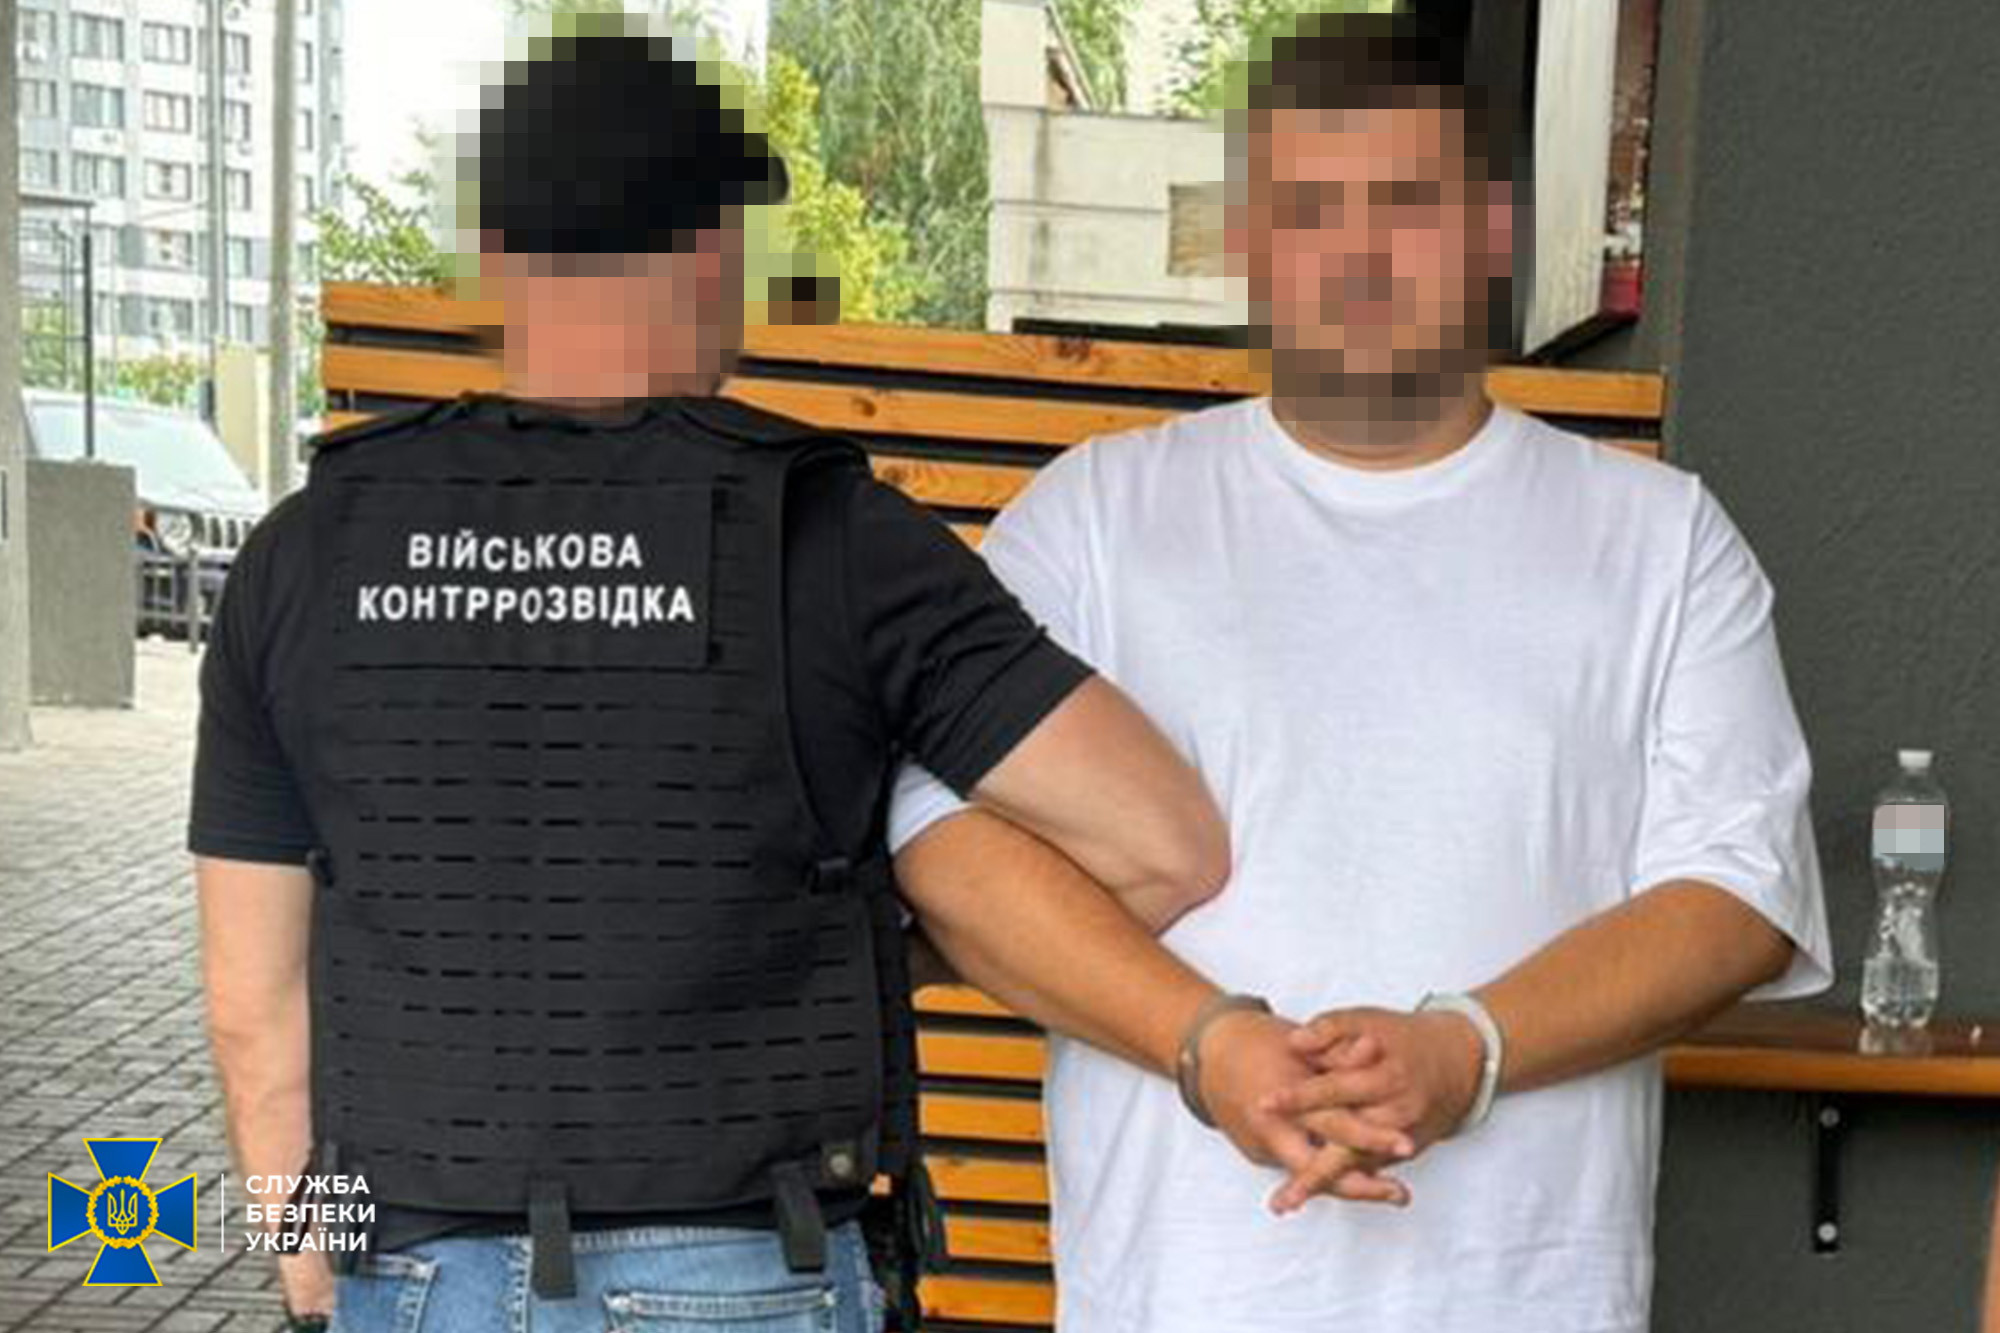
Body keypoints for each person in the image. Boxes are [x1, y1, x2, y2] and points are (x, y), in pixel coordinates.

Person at [191, 23, 1328, 1333]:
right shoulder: (832, 538)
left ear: (494, 255)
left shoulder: (303, 555)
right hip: (748, 1272)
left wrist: (316, 1273)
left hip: (415, 1273)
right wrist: (837, 959)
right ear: (719, 255)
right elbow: (1161, 842)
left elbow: (254, 1007)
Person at [888, 11, 1834, 1332]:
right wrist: (1208, 1042)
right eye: (1311, 209)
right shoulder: (1093, 519)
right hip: (1181, 1294)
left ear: (1493, 232)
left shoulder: (1660, 538)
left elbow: (1740, 889)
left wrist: (1468, 1047)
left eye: (1408, 205)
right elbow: (943, 842)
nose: (1363, 254)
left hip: (1530, 1298)